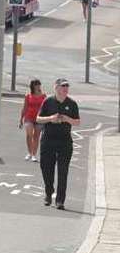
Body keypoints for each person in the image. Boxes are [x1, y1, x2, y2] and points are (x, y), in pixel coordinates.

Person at [35, 78, 81, 210]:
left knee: (63, 171)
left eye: (67, 86)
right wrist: (51, 118)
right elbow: (38, 119)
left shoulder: (71, 103)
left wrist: (67, 119)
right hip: (48, 140)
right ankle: (49, 192)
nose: (65, 89)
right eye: (62, 86)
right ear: (56, 88)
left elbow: (77, 122)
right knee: (46, 168)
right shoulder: (48, 101)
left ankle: (60, 200)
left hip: (64, 141)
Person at [19, 79, 46, 162]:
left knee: (36, 136)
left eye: (39, 84)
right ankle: (29, 153)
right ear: (33, 86)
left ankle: (34, 154)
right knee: (29, 135)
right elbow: (25, 107)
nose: (38, 86)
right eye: (36, 84)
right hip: (29, 117)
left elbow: (45, 108)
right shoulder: (28, 95)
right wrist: (21, 119)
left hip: (39, 118)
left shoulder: (43, 96)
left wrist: (46, 119)